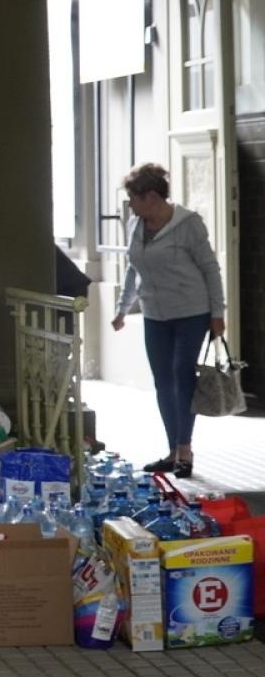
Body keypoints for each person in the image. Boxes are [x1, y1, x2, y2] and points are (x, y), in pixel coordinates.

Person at [111, 163, 226, 478]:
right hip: (155, 314)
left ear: (150, 196)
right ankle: (172, 450)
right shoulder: (136, 224)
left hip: (191, 311)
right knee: (163, 380)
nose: (130, 204)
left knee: (181, 374)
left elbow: (210, 268)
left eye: (133, 197)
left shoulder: (188, 224)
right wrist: (123, 309)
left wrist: (218, 313)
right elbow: (133, 267)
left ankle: (185, 450)